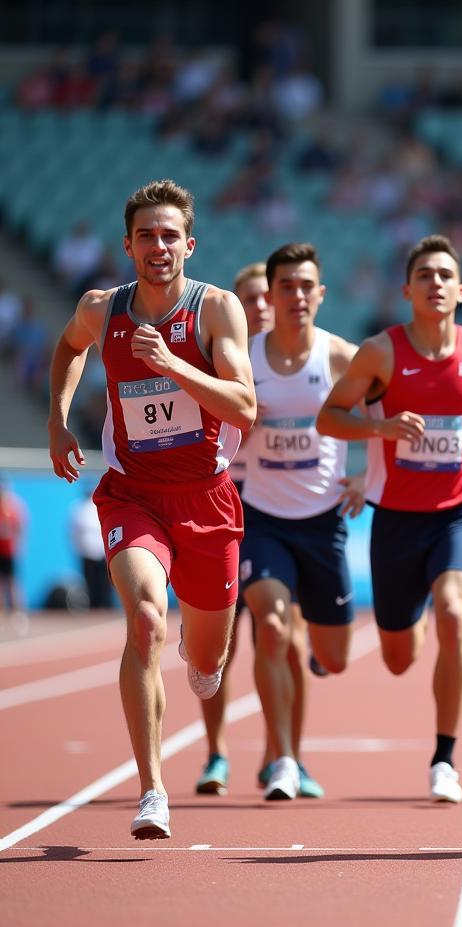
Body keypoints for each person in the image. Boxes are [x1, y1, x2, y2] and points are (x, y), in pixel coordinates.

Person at [47, 179, 256, 839]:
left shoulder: (217, 310)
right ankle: (152, 790)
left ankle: (205, 655)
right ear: (128, 245)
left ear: (189, 244)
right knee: (143, 619)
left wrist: (172, 362)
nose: (158, 246)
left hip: (208, 502)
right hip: (133, 493)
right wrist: (57, 421)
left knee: (206, 658)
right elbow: (67, 349)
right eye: (146, 236)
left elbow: (244, 408)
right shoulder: (101, 308)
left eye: (170, 235)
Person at [317, 234, 462, 803]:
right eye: (424, 276)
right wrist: (379, 428)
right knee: (400, 658)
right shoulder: (380, 352)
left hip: (460, 513)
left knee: (456, 612)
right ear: (407, 290)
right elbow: (329, 417)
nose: (435, 284)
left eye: (444, 275)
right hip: (396, 522)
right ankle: (418, 617)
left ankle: (444, 758)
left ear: (461, 290)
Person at [193, 262, 327, 799]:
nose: (261, 308)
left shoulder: (291, 362)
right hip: (220, 517)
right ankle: (216, 752)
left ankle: (287, 756)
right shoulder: (219, 362)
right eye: (250, 300)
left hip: (273, 518)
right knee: (215, 646)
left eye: (264, 299)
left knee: (282, 636)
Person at [236, 242, 361, 800]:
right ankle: (282, 758)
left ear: (321, 293)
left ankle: (319, 644)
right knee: (270, 626)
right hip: (262, 518)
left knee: (332, 659)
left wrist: (369, 478)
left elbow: (392, 408)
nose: (296, 296)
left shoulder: (340, 357)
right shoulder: (243, 356)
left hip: (323, 520)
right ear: (272, 294)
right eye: (285, 286)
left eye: (306, 286)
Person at [69, 485, 112, 608]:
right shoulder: (79, 508)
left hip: (101, 551)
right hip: (87, 551)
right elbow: (74, 531)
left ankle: (105, 606)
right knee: (90, 582)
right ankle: (94, 606)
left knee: (104, 582)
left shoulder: (97, 507)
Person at [0, 473, 28, 629]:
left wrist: (19, 545)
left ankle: (19, 613)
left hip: (9, 551)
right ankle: (3, 616)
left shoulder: (14, 508)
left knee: (13, 584)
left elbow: (21, 527)